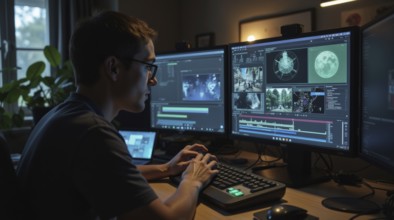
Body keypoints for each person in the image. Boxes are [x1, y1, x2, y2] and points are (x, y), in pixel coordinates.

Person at [17, 10, 218, 220]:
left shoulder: (64, 115)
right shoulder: (93, 132)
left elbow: (108, 177)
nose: (153, 80)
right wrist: (192, 181)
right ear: (113, 68)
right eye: (148, 66)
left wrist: (166, 168)